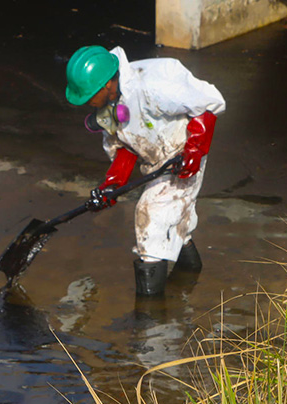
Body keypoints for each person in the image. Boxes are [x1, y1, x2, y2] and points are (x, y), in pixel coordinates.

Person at [65, 45, 225, 296]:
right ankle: (188, 277)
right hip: (156, 162)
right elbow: (125, 148)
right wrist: (111, 185)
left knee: (149, 218)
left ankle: (151, 321)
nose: (87, 103)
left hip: (184, 153)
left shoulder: (152, 86)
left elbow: (208, 105)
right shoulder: (109, 105)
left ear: (107, 84)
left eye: (89, 96)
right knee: (175, 223)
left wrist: (194, 150)